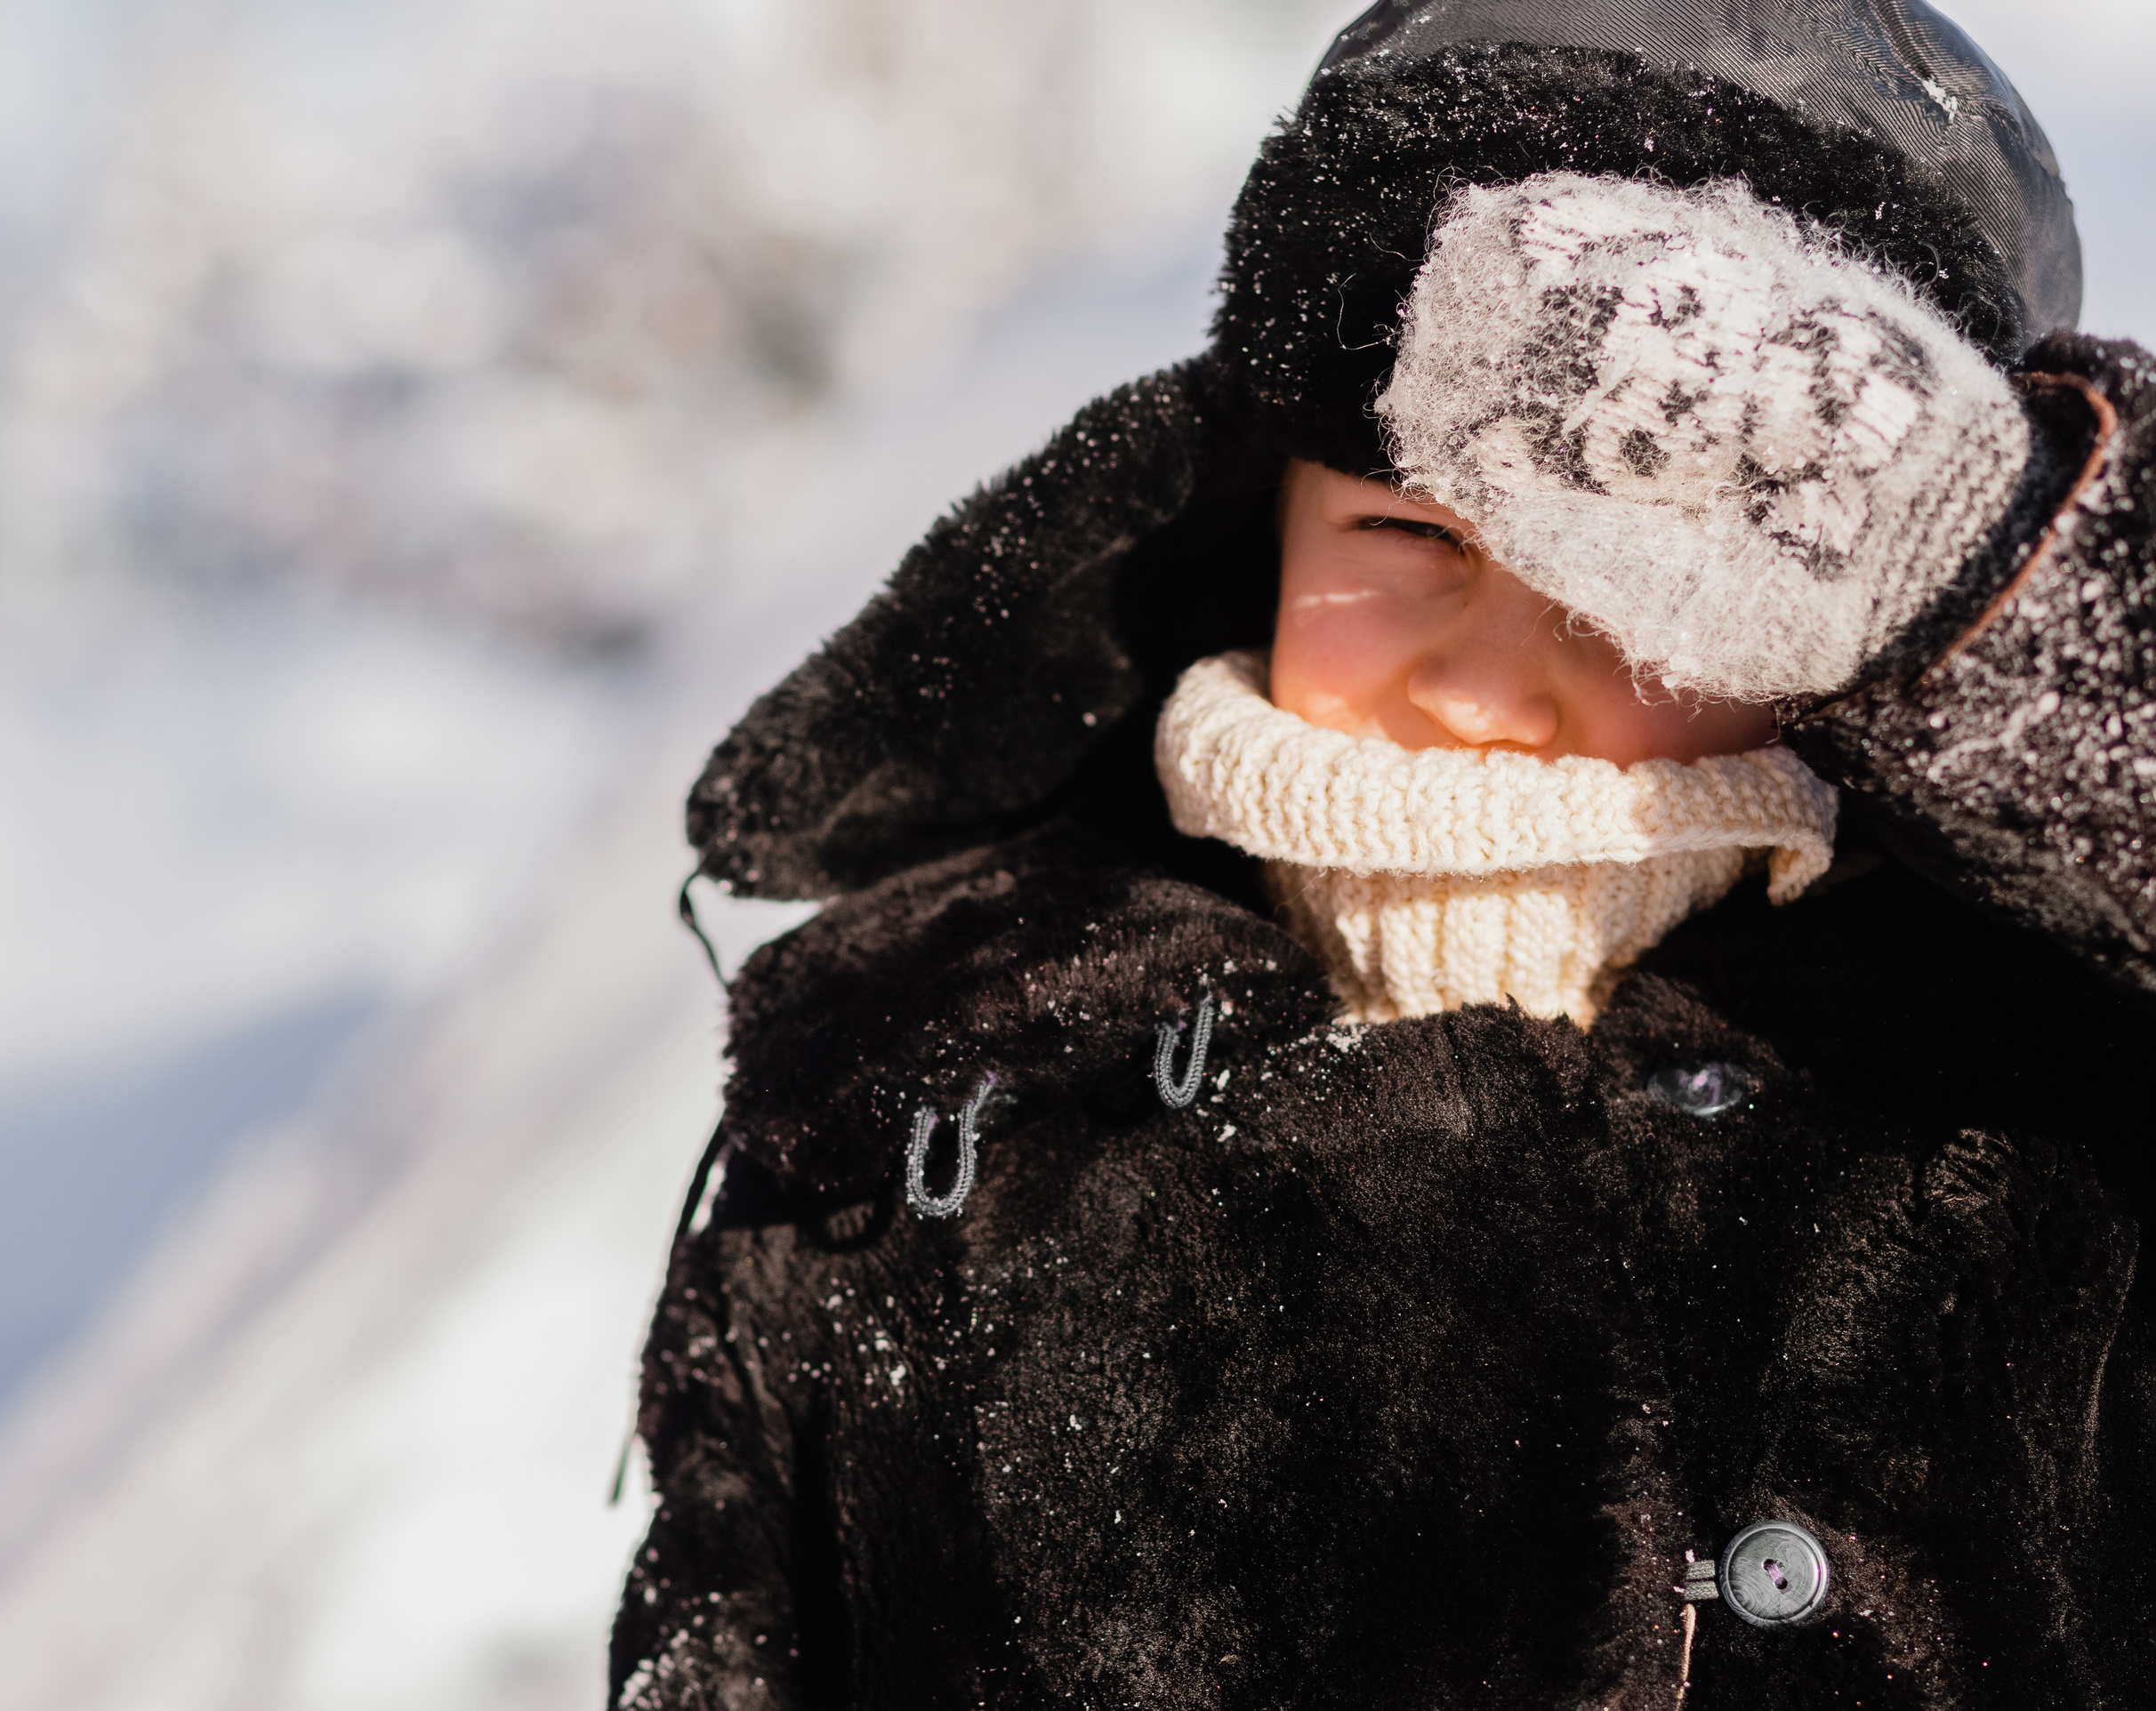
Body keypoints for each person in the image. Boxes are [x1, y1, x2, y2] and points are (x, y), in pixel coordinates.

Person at [609, 3, 2156, 1705]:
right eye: (1408, 531)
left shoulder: (2061, 1073)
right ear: (1256, 505)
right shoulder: (927, 1089)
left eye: (1652, 590)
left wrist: (2001, 557)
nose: (1487, 688)